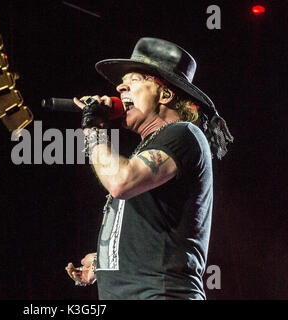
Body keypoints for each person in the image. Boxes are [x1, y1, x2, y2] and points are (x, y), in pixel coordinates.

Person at [65, 37, 233, 299]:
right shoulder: (149, 150)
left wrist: (94, 129)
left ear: (165, 94)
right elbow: (157, 236)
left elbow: (120, 181)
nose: (120, 86)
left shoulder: (184, 134)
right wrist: (106, 263)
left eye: (134, 80)